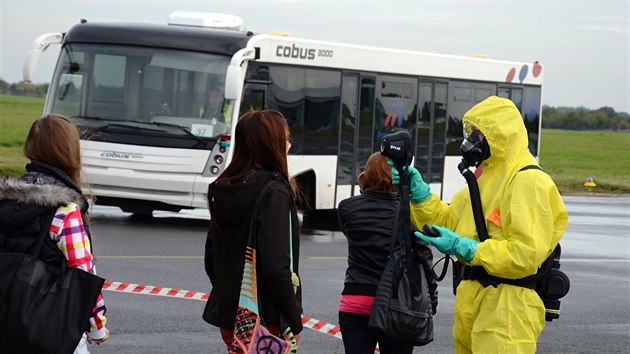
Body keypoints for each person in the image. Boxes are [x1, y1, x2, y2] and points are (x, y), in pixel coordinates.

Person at [396, 96, 568, 353]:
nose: (472, 140)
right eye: (472, 133)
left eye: (479, 133)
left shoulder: (528, 181)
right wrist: (420, 197)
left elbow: (524, 255)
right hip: (473, 301)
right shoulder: (484, 177)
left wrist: (470, 250)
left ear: (500, 134)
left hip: (507, 308)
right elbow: (450, 222)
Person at [0, 114, 109, 353]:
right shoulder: (65, 211)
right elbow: (84, 275)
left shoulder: (5, 200)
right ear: (69, 151)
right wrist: (98, 326)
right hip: (49, 327)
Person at [202, 109, 303, 350]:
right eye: (285, 139)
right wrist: (294, 321)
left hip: (232, 316)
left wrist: (230, 291)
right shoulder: (274, 192)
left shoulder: (224, 187)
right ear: (272, 144)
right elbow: (276, 267)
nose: (288, 144)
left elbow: (211, 258)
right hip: (266, 319)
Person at [337, 152, 438, 354]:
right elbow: (424, 260)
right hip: (398, 304)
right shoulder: (408, 214)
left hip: (355, 301)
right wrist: (431, 302)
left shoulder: (347, 208)